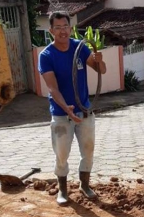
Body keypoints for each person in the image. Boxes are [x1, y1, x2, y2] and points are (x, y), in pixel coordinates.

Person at [38, 11, 107, 206]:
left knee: (88, 150)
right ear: (51, 31)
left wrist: (99, 59)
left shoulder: (80, 47)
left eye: (65, 27)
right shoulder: (46, 56)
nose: (62, 31)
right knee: (62, 154)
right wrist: (66, 109)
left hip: (84, 111)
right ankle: (62, 188)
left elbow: (101, 70)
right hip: (61, 114)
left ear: (70, 28)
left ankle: (84, 185)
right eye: (57, 28)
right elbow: (52, 88)